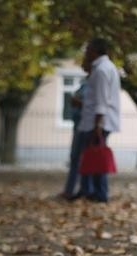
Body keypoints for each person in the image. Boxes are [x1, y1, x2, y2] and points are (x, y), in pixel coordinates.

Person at [78, 37, 121, 203]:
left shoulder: (102, 70)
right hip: (96, 121)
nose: (86, 53)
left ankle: (99, 192)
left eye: (87, 50)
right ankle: (93, 191)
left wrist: (98, 124)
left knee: (96, 157)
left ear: (94, 51)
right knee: (93, 156)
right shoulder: (102, 68)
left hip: (97, 122)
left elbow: (102, 100)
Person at [60, 58, 90, 200]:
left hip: (83, 123)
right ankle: (71, 189)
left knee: (79, 157)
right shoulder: (86, 82)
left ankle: (77, 190)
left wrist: (77, 102)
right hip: (79, 122)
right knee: (75, 157)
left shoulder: (92, 82)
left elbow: (90, 104)